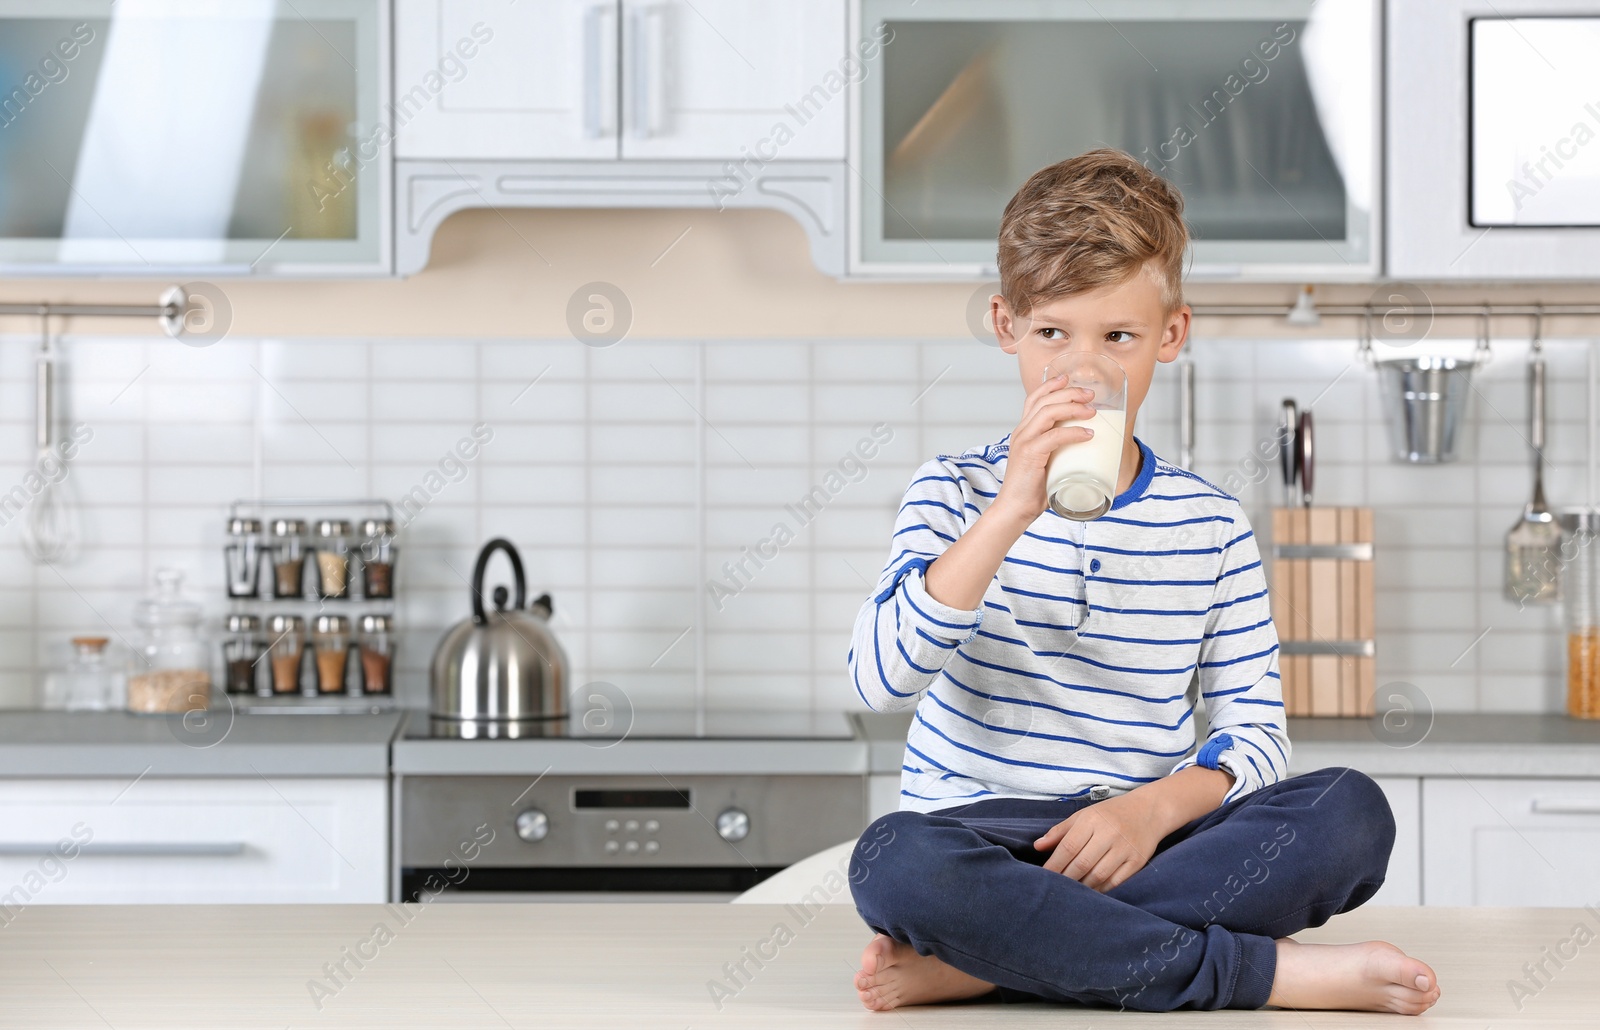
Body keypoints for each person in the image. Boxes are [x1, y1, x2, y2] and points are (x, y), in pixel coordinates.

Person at [845, 148, 1440, 1015]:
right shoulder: (954, 493)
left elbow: (1257, 738)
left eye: (1117, 336)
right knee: (890, 862)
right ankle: (1264, 976)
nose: (1082, 369)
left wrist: (1150, 812)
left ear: (1171, 334)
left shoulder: (1211, 525)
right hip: (978, 838)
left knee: (1351, 814)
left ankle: (988, 962)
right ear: (1006, 325)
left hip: (1154, 838)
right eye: (1052, 332)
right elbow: (877, 681)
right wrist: (1013, 507)